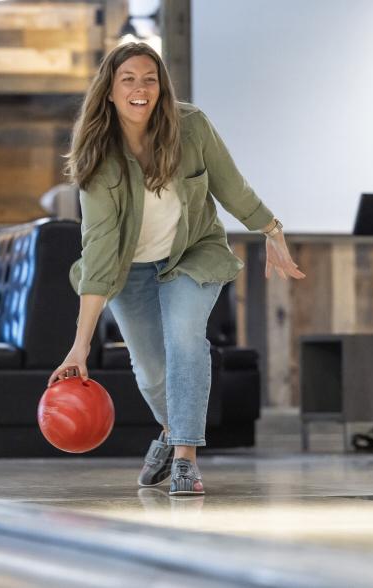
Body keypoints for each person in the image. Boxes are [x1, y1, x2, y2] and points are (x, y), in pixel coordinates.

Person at [48, 43, 304, 496]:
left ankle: (185, 457)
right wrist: (79, 347)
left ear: (162, 86)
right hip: (129, 268)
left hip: (193, 252)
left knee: (185, 338)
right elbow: (101, 252)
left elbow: (230, 185)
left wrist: (271, 229)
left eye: (150, 78)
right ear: (109, 90)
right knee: (149, 369)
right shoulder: (97, 157)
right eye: (128, 79)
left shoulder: (191, 126)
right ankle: (170, 431)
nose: (140, 88)